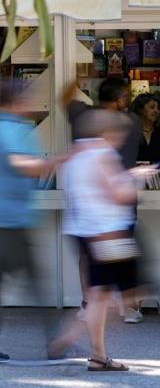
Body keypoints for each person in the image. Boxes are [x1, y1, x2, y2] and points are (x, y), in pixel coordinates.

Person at [0, 79, 66, 365]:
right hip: (10, 221)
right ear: (15, 101)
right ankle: (57, 344)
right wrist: (59, 160)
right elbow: (22, 165)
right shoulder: (10, 128)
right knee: (36, 283)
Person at [50, 109, 152, 371]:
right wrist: (136, 179)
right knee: (129, 293)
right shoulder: (103, 155)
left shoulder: (75, 155)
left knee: (100, 294)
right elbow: (119, 195)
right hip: (110, 233)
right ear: (108, 132)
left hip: (83, 232)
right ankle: (78, 339)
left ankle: (92, 351)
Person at [63, 77, 146, 323]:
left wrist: (75, 76)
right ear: (121, 99)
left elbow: (64, 97)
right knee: (124, 255)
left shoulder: (82, 115)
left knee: (88, 257)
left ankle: (89, 303)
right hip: (119, 201)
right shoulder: (131, 121)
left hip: (84, 204)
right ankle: (130, 308)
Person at [131, 93, 160, 162]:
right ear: (140, 109)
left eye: (159, 108)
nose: (156, 111)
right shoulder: (130, 133)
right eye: (152, 107)